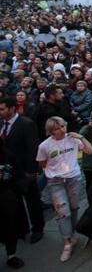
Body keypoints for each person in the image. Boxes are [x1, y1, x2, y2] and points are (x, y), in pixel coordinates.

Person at [37, 116, 92, 262]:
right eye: (58, 128)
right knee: (63, 212)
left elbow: (90, 151)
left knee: (74, 208)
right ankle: (67, 243)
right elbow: (42, 163)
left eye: (63, 126)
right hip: (55, 181)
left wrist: (81, 137)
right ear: (51, 131)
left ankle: (71, 234)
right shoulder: (44, 145)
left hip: (73, 179)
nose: (62, 130)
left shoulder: (73, 139)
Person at [0, 96, 44, 244]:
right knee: (14, 202)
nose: (0, 112)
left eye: (2, 109)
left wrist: (31, 170)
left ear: (12, 109)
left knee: (32, 200)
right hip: (7, 172)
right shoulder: (1, 123)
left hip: (24, 170)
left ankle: (38, 228)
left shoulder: (26, 124)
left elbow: (33, 148)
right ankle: (22, 228)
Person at [0, 135, 24, 269]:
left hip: (7, 196)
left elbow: (18, 175)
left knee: (10, 227)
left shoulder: (7, 155)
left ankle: (11, 255)